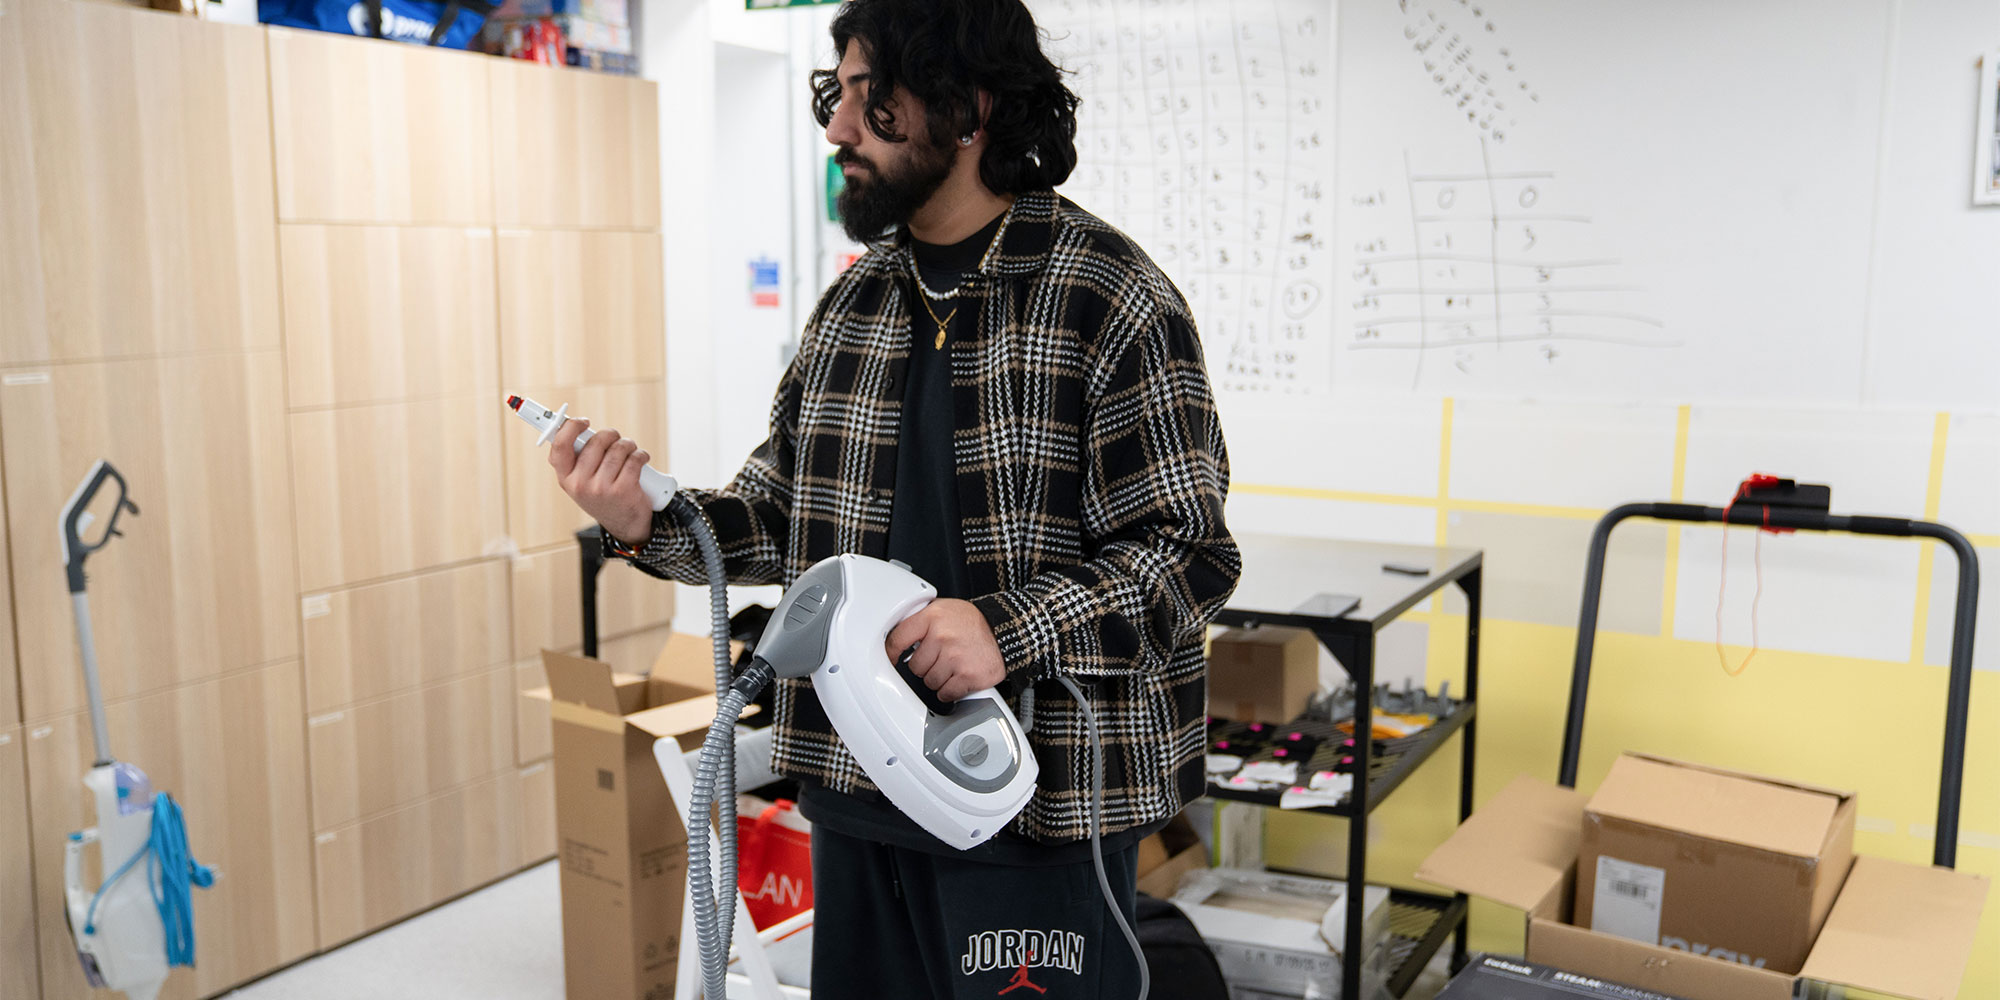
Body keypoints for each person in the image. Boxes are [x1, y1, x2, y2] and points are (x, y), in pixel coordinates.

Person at [544, 1, 1238, 996]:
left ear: (968, 109)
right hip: (855, 783)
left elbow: (1185, 551)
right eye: (834, 97)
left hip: (1033, 807)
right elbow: (782, 521)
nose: (834, 130)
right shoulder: (853, 305)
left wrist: (1006, 629)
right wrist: (645, 520)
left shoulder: (1107, 295)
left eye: (868, 99)